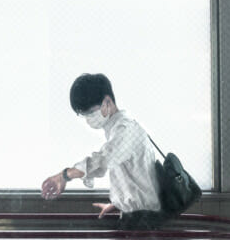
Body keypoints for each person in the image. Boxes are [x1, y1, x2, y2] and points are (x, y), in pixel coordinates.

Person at [40, 73, 165, 230]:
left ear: (107, 101)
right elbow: (136, 178)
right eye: (84, 115)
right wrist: (118, 204)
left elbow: (101, 162)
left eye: (91, 113)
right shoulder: (119, 128)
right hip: (137, 216)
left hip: (143, 221)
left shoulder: (125, 129)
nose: (89, 119)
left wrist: (64, 175)